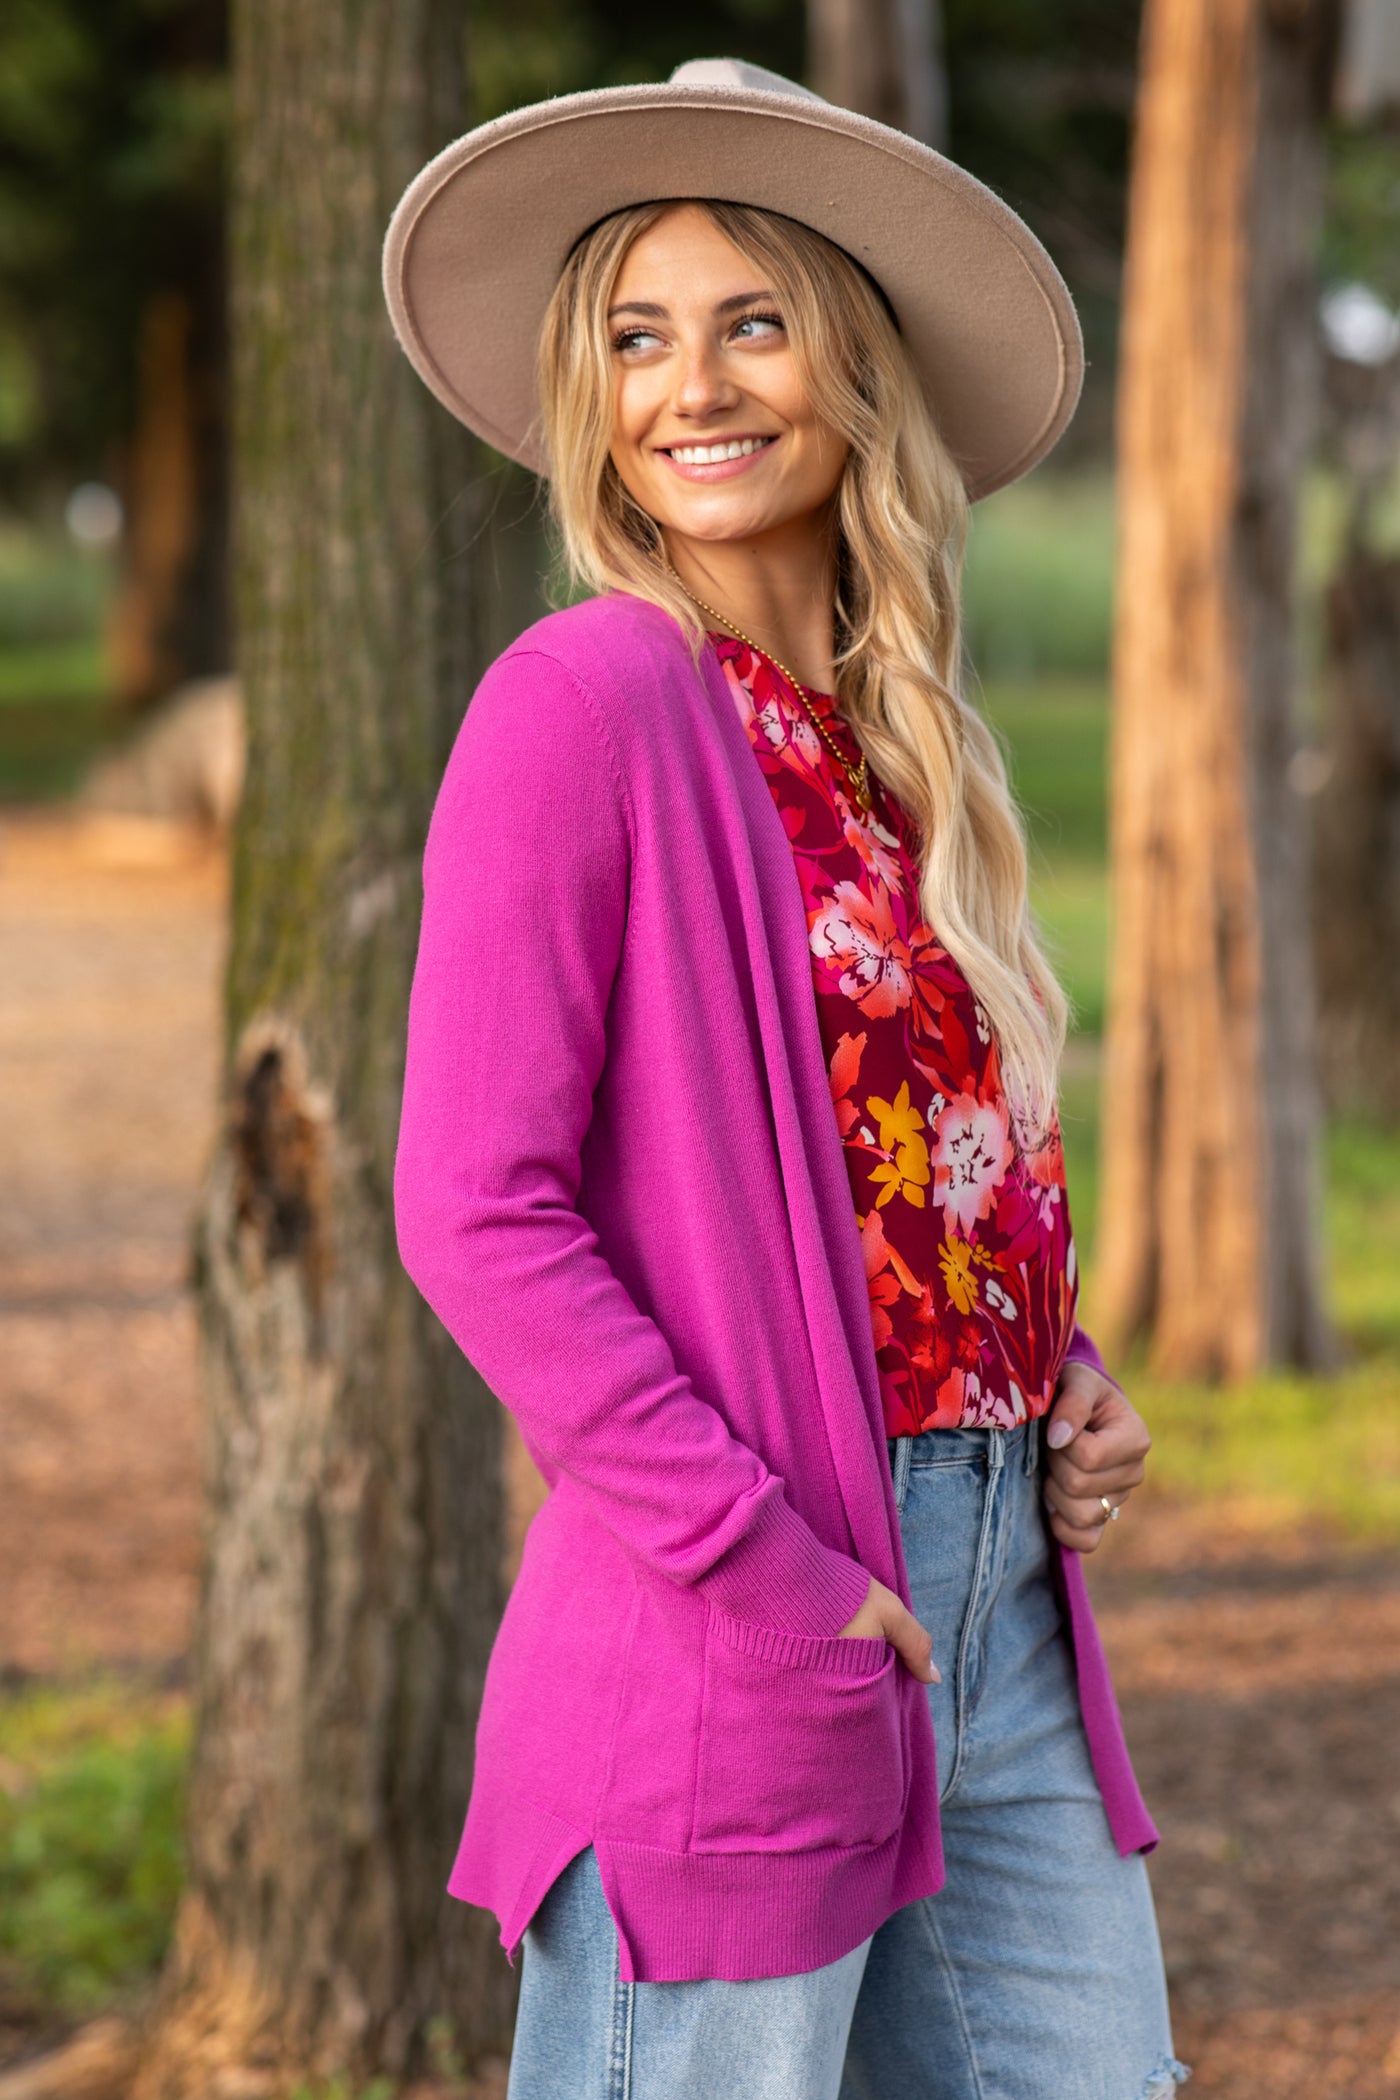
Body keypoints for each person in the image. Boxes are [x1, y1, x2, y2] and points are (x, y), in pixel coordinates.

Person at [386, 57, 1189, 2100]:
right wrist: (771, 1574)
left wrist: (1052, 1368)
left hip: (1000, 1609)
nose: (691, 384)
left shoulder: (893, 753)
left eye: (750, 320)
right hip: (743, 1617)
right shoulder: (584, 701)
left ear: (851, 368)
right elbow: (476, 1206)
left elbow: (891, 1184)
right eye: (635, 337)